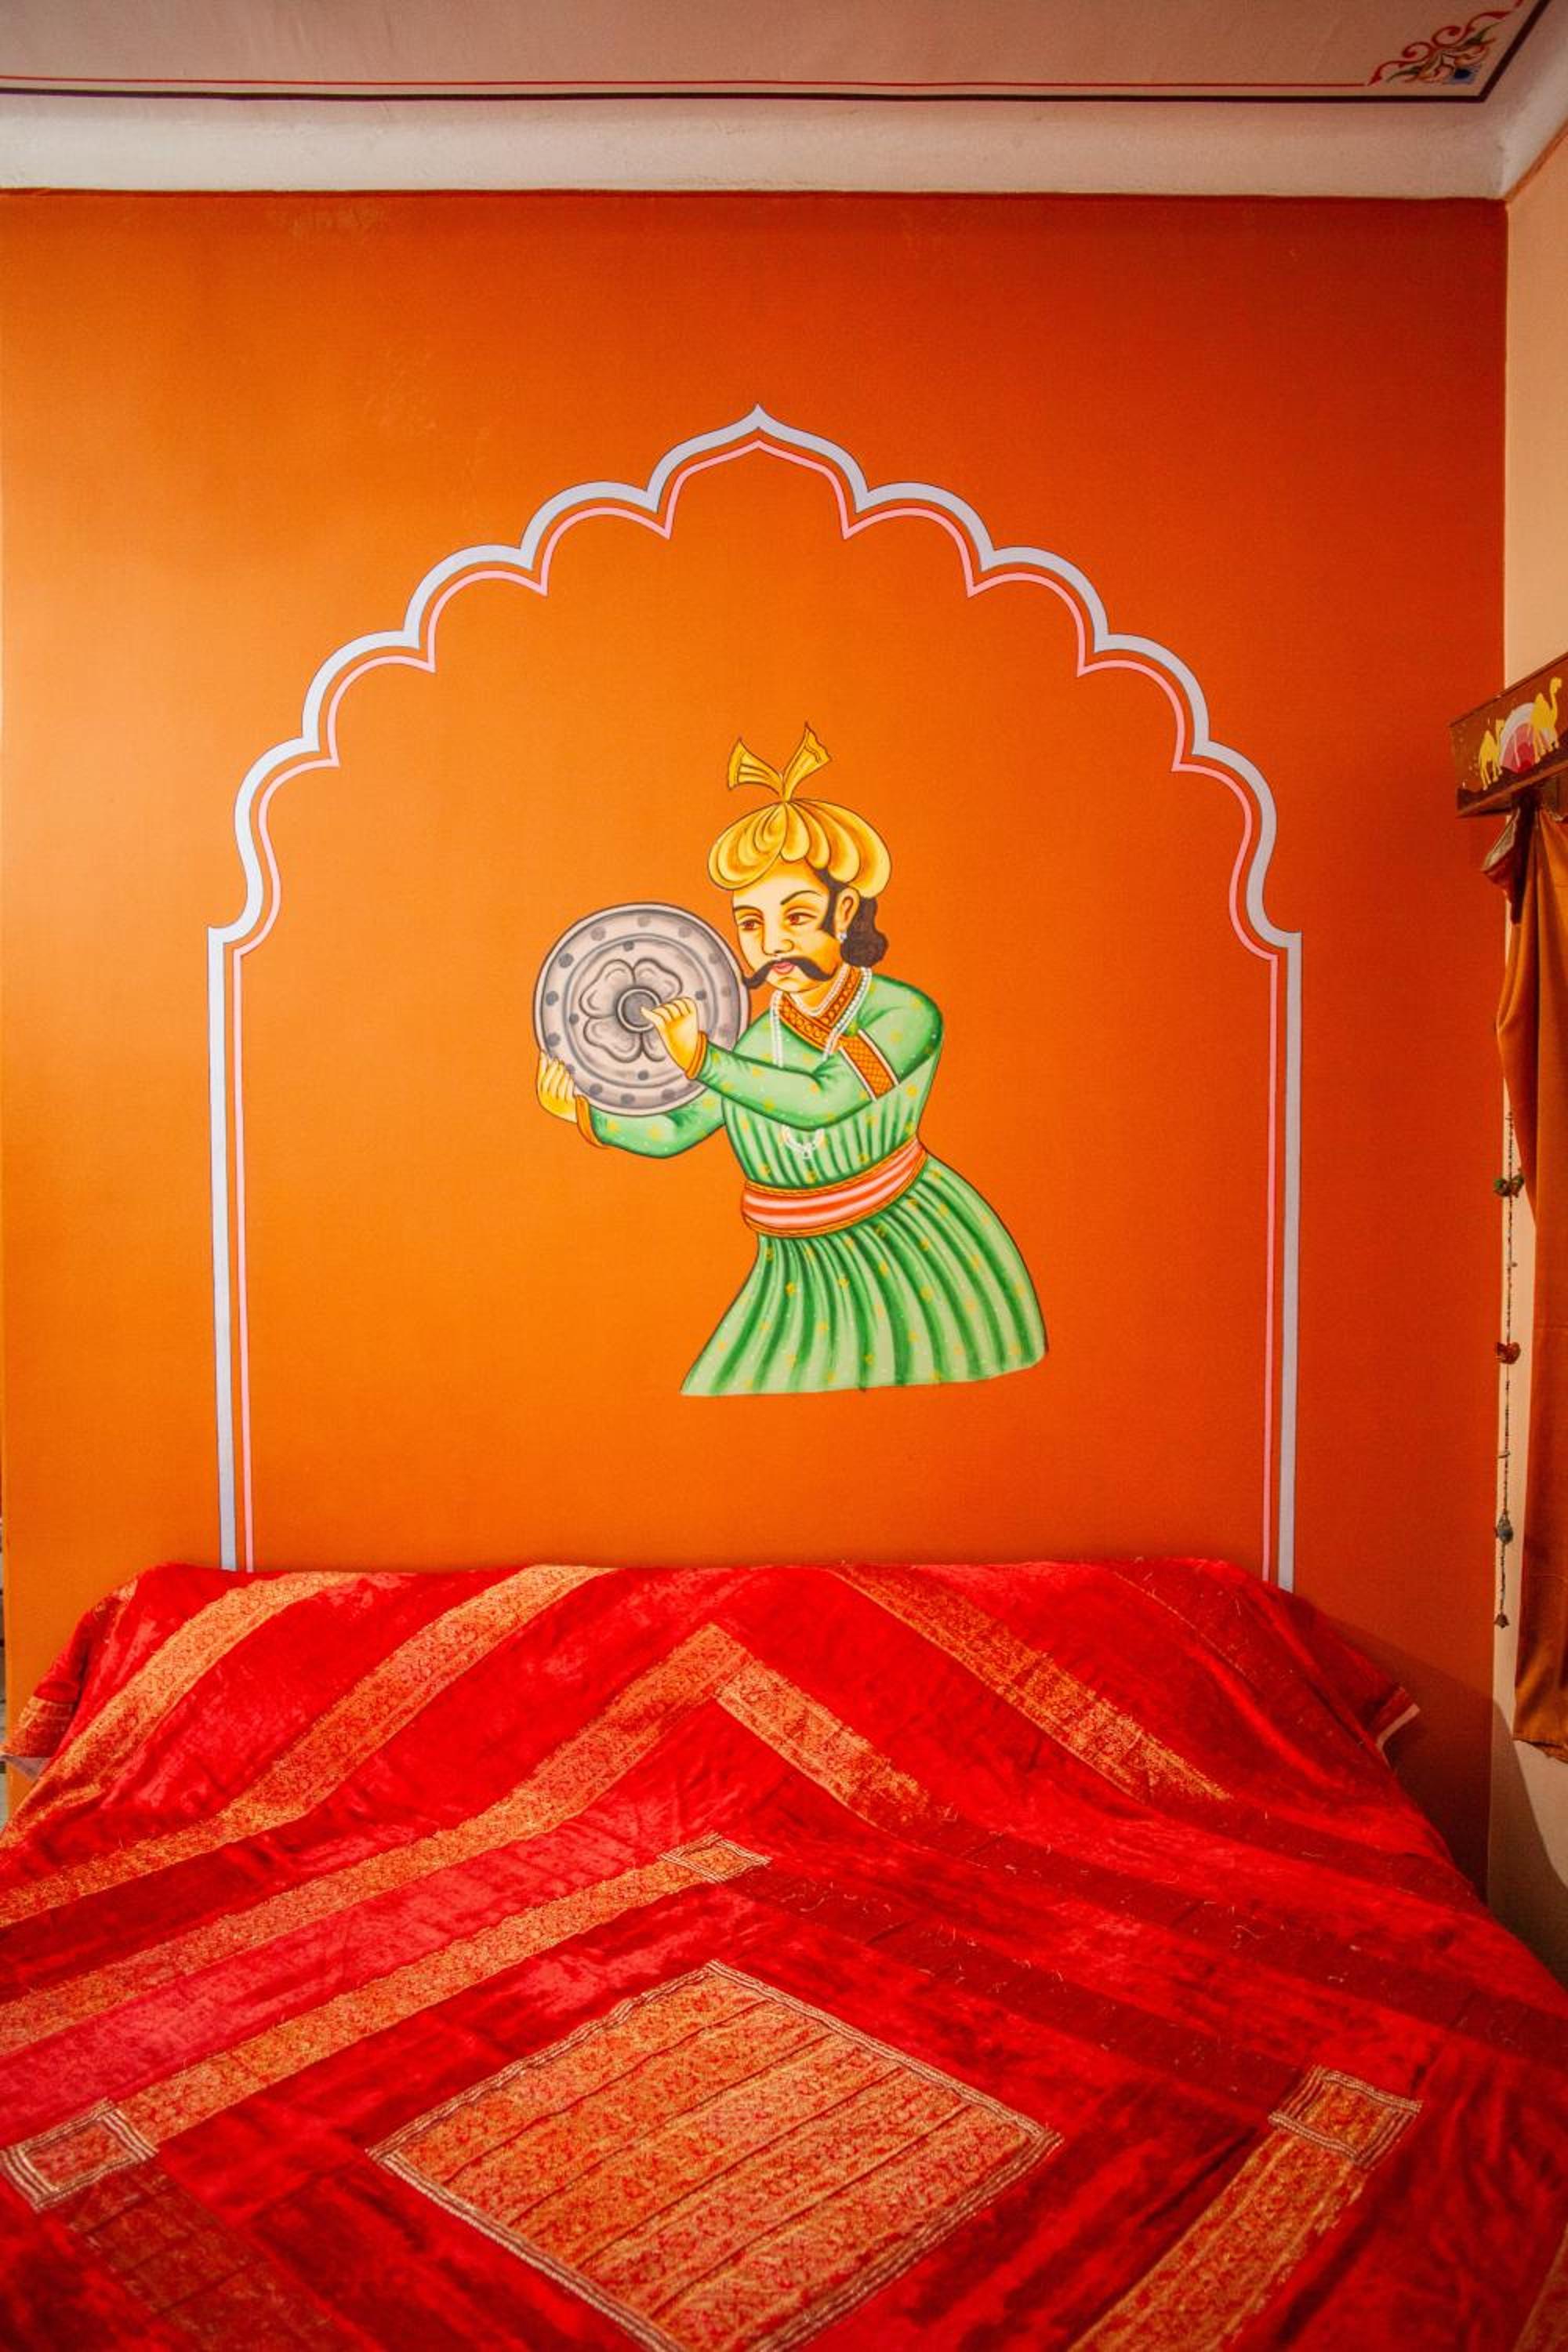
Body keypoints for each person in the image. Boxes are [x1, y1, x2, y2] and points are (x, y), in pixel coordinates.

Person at [537, 726, 1045, 1396]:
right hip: (794, 1270)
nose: (773, 943)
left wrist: (704, 1060)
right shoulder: (753, 1043)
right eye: (751, 924)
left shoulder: (902, 1014)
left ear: (846, 911)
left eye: (797, 917)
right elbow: (678, 1128)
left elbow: (821, 1100)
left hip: (912, 1248)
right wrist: (586, 1113)